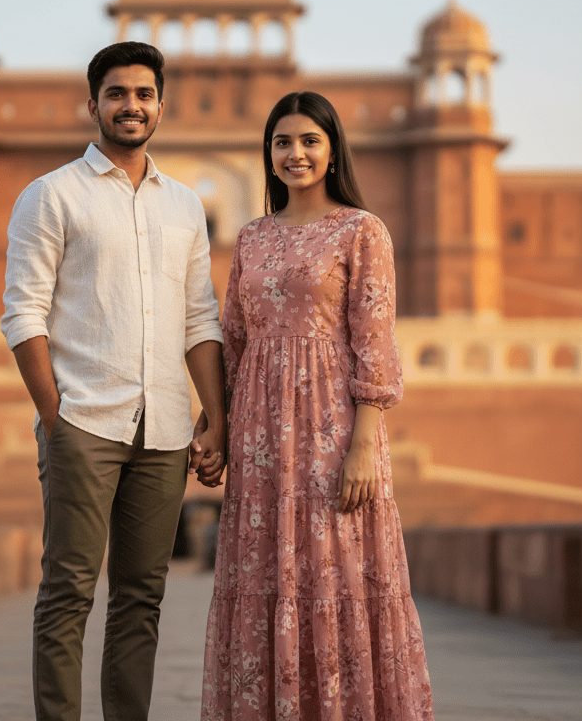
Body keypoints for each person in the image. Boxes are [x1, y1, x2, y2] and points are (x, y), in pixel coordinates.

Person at [1, 41, 227, 721]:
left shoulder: (184, 204)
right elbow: (22, 311)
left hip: (161, 425)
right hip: (85, 421)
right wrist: (55, 416)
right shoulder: (52, 194)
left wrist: (214, 417)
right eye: (118, 94)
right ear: (93, 103)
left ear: (161, 104)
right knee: (69, 590)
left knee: (141, 597)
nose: (132, 106)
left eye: (144, 94)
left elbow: (199, 317)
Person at [200, 91, 434, 721]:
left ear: (332, 151)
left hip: (334, 427)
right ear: (268, 155)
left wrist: (365, 445)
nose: (295, 153)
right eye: (282, 142)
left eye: (309, 141)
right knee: (264, 573)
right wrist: (216, 427)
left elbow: (374, 342)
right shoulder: (251, 238)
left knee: (338, 571)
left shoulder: (361, 230)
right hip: (258, 432)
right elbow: (235, 339)